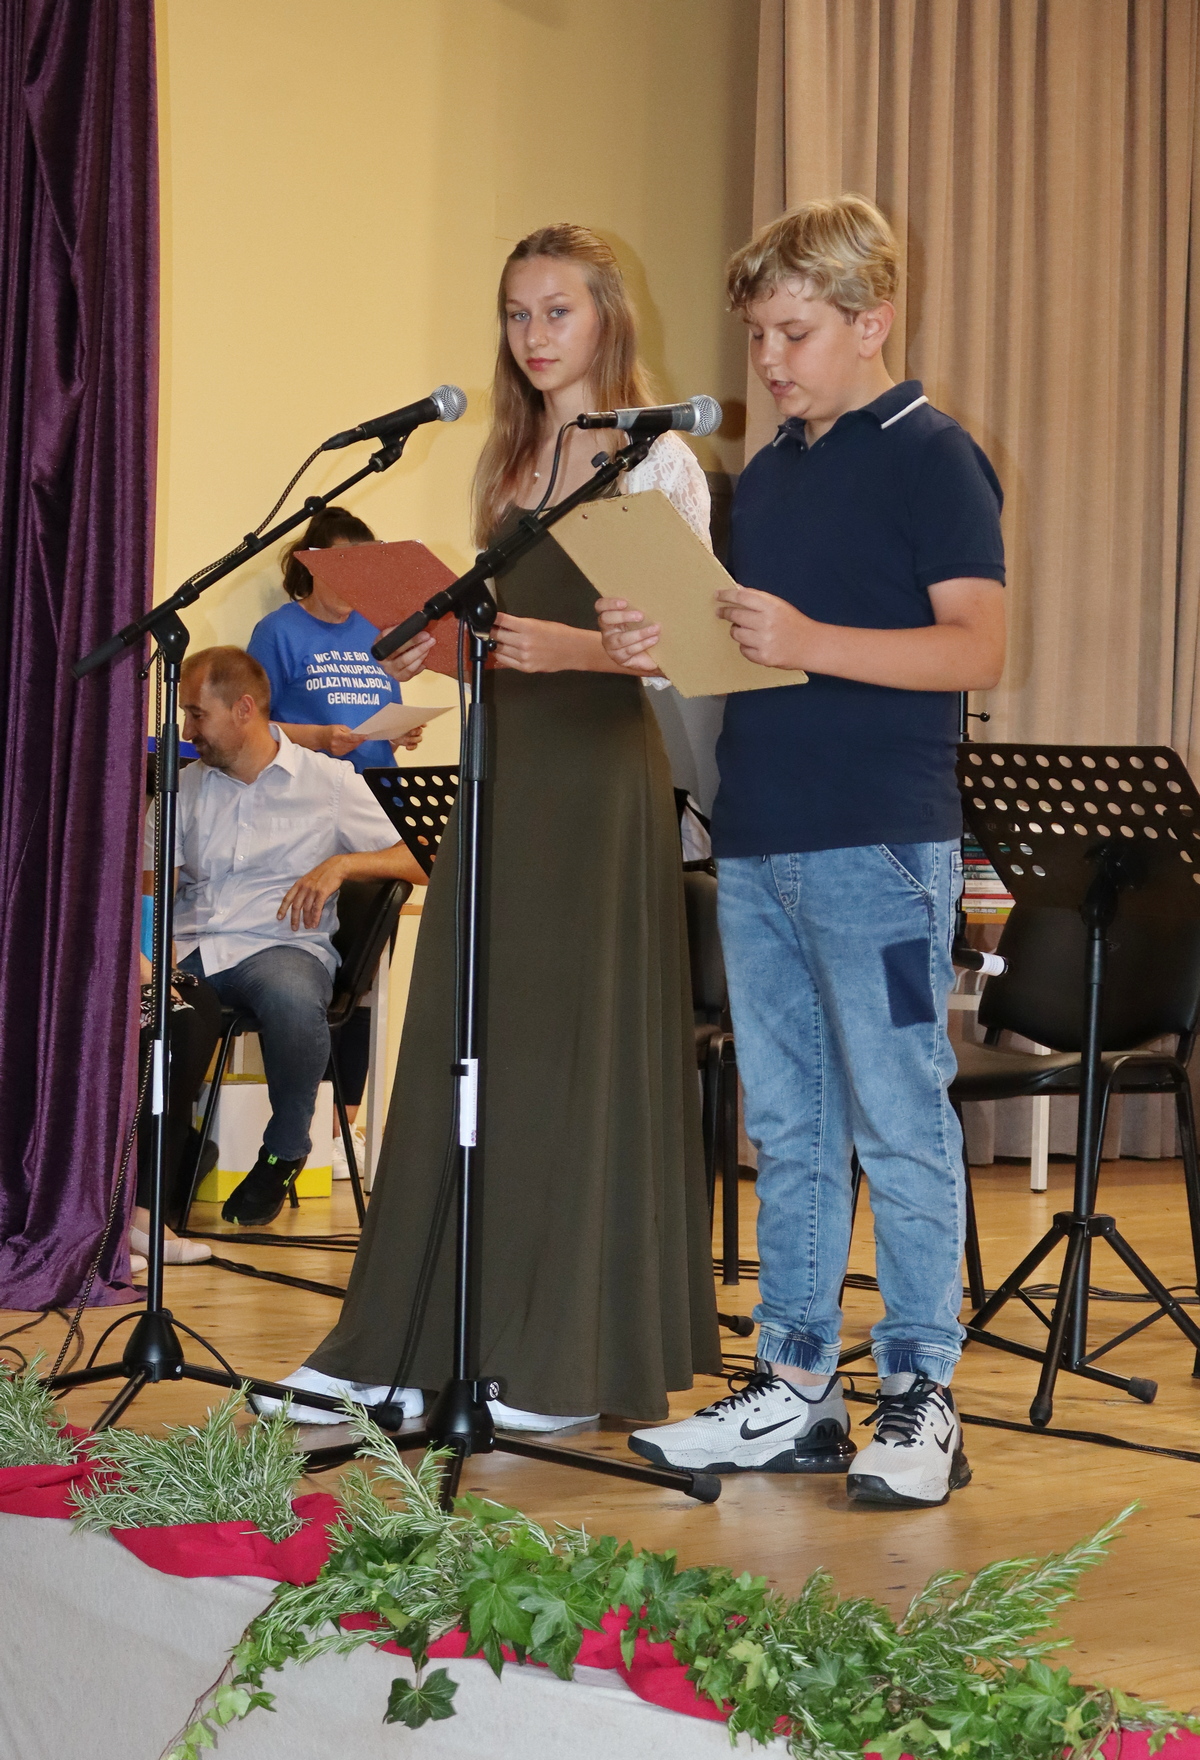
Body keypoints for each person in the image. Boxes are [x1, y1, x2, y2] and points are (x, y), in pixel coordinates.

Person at [277, 223, 721, 1430]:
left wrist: (570, 648)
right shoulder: (512, 455)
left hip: (595, 782)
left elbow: (687, 648)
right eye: (517, 313)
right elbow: (502, 640)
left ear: (607, 316)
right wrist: (434, 650)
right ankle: (408, 1339)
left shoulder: (654, 458)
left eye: (556, 311)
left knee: (566, 1049)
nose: (533, 335)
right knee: (464, 1045)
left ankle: (559, 1359)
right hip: (505, 768)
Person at [599, 195, 1006, 1508]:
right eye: (759, 335)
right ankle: (795, 1388)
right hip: (760, 836)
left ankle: (921, 1391)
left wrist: (809, 640)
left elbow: (977, 647)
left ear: (871, 320)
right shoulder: (770, 471)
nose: (769, 359)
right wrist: (664, 639)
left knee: (900, 1116)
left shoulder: (935, 456)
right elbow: (746, 649)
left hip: (880, 847)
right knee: (787, 1122)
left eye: (795, 331)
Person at [159, 646, 425, 1228]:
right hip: (194, 946)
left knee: (291, 999)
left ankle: (283, 1151)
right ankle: (182, 1148)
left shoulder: (328, 783)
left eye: (197, 715)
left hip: (281, 945)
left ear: (243, 709)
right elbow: (155, 882)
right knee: (138, 1003)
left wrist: (344, 864)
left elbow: (423, 855)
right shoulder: (185, 786)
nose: (187, 731)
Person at [248, 506, 425, 1175]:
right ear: (314, 562)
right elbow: (252, 728)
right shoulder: (278, 632)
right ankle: (307, 1121)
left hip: (380, 806)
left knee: (367, 971)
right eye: (347, 566)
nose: (359, 581)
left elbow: (382, 711)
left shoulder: (377, 629)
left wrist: (402, 730)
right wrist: (320, 738)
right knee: (315, 961)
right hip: (310, 809)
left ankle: (342, 1125)